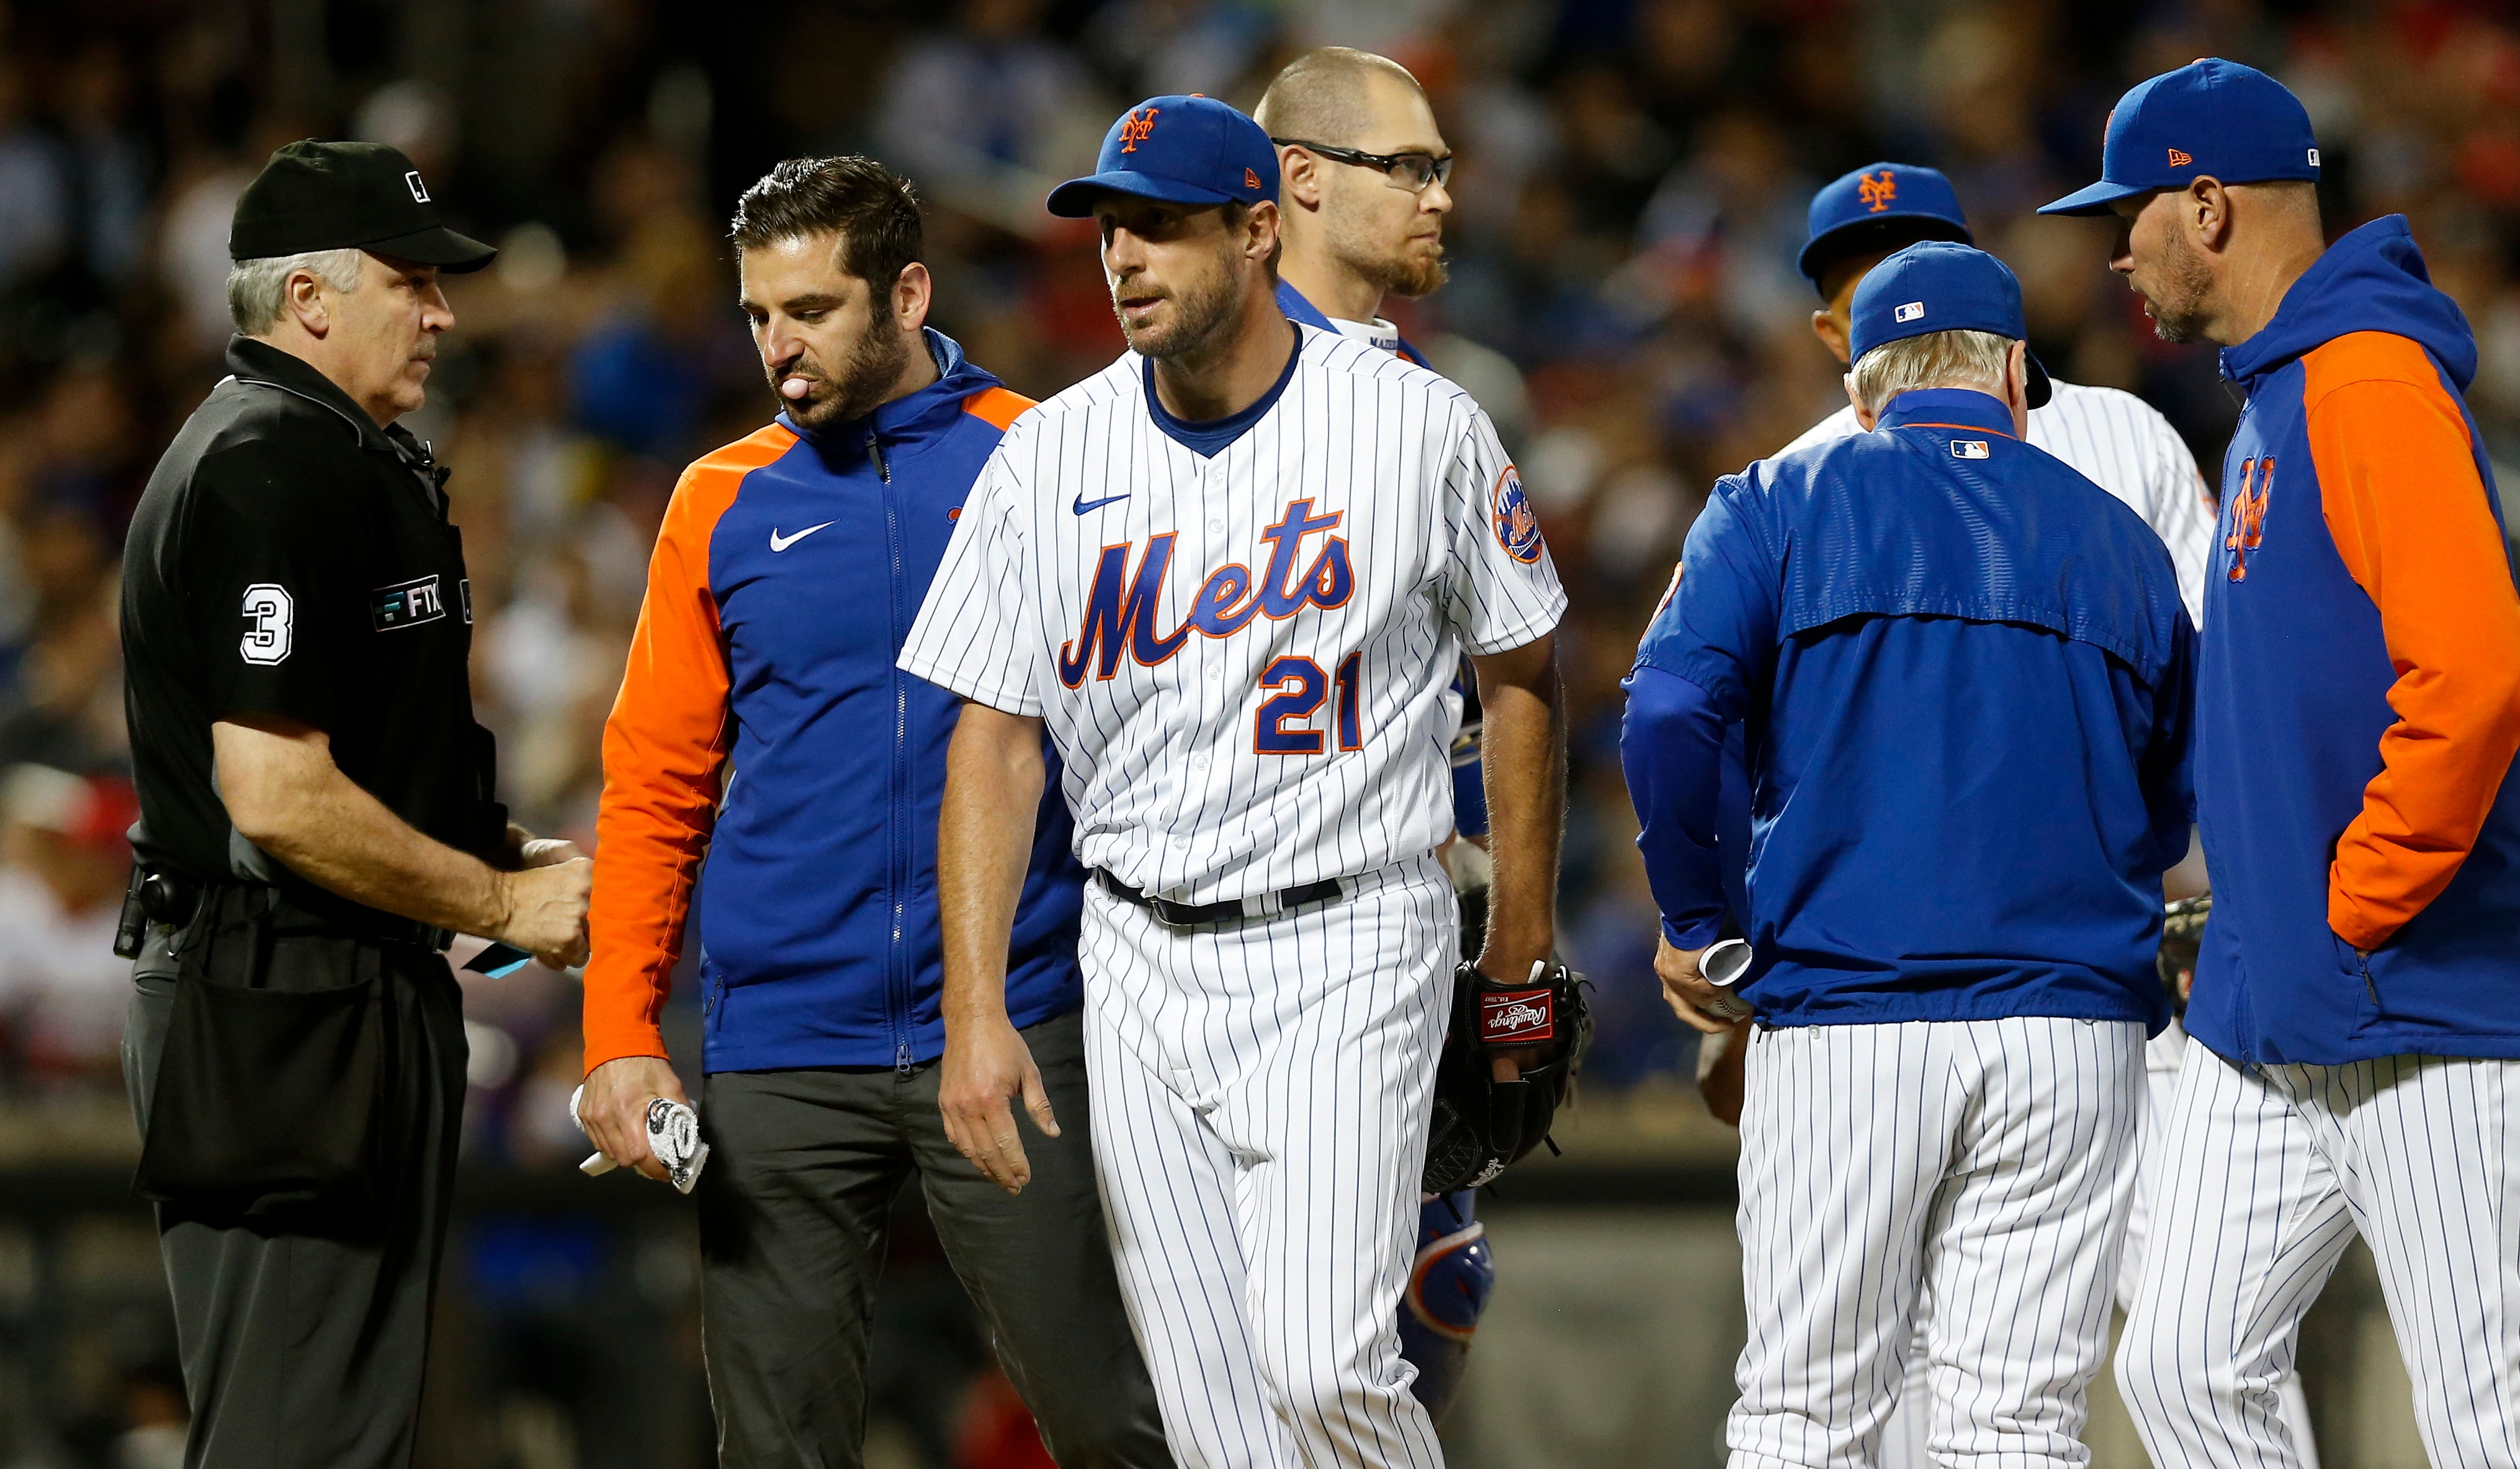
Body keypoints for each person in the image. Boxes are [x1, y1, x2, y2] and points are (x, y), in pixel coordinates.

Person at [898, 95, 1569, 1469]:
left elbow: (1523, 675)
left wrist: (1518, 948)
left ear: (1261, 229)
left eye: (1163, 227)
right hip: (1136, 951)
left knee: (1327, 1364)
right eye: (1111, 229)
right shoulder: (1049, 455)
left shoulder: (1412, 426)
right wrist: (975, 1005)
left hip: (1348, 930)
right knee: (1215, 1422)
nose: (1124, 258)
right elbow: (993, 738)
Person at [578, 155, 1168, 1468]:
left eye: (815, 311)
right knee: (778, 1443)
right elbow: (656, 781)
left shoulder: (1051, 456)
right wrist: (620, 1028)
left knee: (1112, 1416)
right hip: (783, 1033)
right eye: (758, 316)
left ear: (908, 293)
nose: (782, 350)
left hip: (1017, 1013)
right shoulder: (716, 498)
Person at [1733, 157, 2275, 1469]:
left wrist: (2212, 894)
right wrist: (1720, 928)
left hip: (2113, 980)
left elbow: (2213, 695)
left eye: (1918, 260)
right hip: (1906, 981)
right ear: (1832, 327)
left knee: (2196, 1345)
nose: (1894, 295)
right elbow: (1733, 745)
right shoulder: (1794, 480)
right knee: (1910, 1380)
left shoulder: (2119, 438)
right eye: (1863, 279)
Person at [1623, 241, 2194, 1468]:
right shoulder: (2120, 535)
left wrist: (1695, 912)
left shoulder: (1780, 498)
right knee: (2017, 1423)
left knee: (1807, 1411)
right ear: (2016, 373)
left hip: (1848, 1015)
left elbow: (1668, 711)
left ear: (1860, 389)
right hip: (2071, 1034)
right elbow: (2177, 789)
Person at [2042, 58, 2520, 1466]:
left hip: (2420, 1002)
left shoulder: (2368, 379)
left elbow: (2477, 673)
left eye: (2128, 213)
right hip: (2270, 1014)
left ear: (2207, 204)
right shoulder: (2280, 396)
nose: (2114, 248)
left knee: (2490, 1408)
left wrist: (2362, 898)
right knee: (2186, 1365)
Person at [117, 139, 593, 1469]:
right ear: (309, 299)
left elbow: (361, 754)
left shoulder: (335, 449)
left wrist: (490, 845)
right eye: (411, 280)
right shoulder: (266, 459)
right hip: (279, 1007)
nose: (443, 310)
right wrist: (501, 900)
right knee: (295, 1443)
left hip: (333, 994)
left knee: (342, 1436)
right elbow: (275, 792)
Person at [1256, 44, 1493, 1419]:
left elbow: (1502, 687)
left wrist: (1501, 914)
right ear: (1301, 181)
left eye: (1441, 169)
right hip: (1226, 940)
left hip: (1398, 920)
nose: (1441, 198)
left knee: (1415, 1319)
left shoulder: (1417, 394)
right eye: (1410, 168)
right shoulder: (1208, 395)